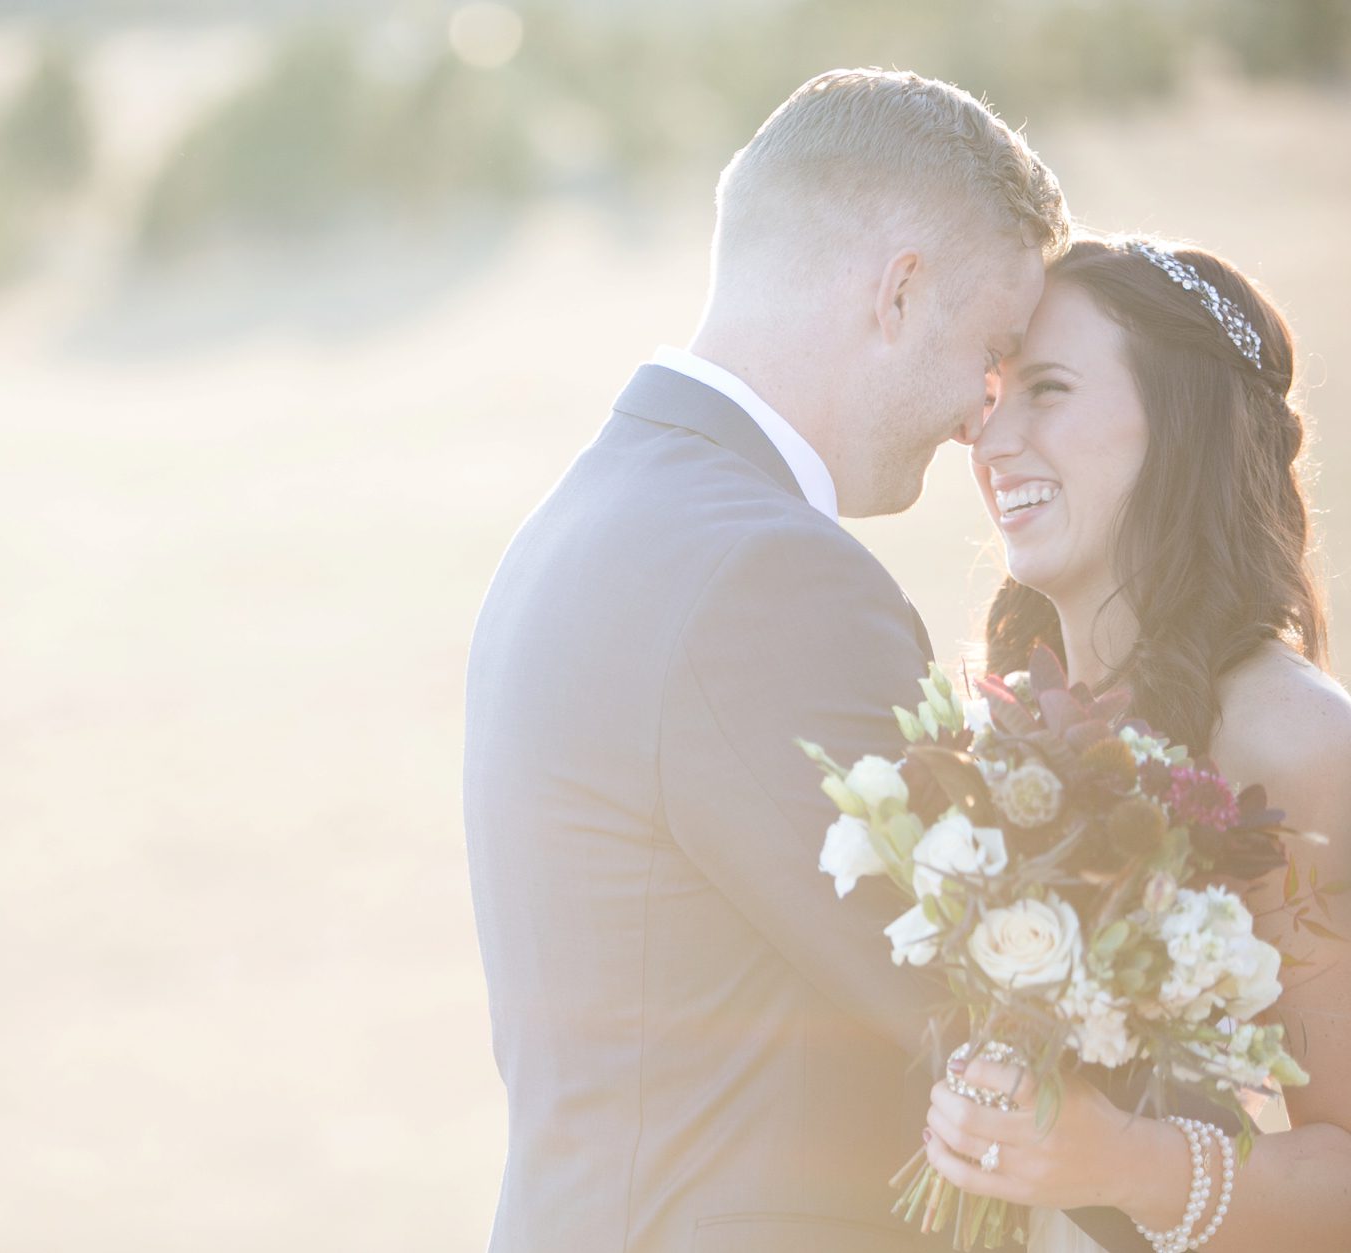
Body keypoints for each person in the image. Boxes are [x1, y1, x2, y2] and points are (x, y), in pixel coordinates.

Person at [463, 69, 1070, 1251]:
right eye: (992, 351)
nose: (982, 413)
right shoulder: (766, 575)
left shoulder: (583, 518)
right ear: (898, 292)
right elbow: (969, 1005)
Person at [925, 236, 1351, 1251]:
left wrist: (1120, 1161)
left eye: (1047, 389)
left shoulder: (1296, 741)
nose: (988, 440)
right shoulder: (990, 731)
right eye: (991, 395)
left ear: (1178, 423)